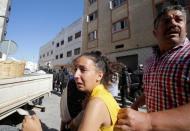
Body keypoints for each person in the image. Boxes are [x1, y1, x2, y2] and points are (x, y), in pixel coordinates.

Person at [114, 4, 190, 131]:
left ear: (186, 29)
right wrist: (137, 102)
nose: (173, 23)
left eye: (179, 19)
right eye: (166, 21)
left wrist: (148, 121)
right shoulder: (150, 61)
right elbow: (154, 88)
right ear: (155, 33)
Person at [22, 51, 120, 131]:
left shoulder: (97, 103)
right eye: (76, 69)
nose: (76, 75)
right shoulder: (95, 96)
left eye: (83, 70)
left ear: (99, 75)